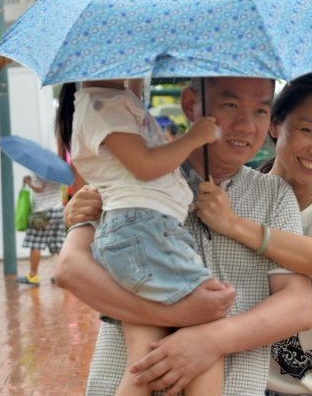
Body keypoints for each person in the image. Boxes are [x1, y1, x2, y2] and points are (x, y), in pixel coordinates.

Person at [56, 76, 312, 396]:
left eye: (261, 111)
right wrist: (79, 219)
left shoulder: (274, 195)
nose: (246, 125)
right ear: (190, 104)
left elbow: (299, 306)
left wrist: (207, 340)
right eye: (230, 105)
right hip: (121, 379)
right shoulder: (131, 180)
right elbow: (69, 271)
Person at [194, 69, 312, 395]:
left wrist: (233, 225)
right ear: (274, 124)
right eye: (308, 130)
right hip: (263, 387)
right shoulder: (233, 195)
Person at [57, 76, 224, 396]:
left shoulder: (116, 98)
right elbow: (146, 165)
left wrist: (136, 79)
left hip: (139, 231)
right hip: (145, 230)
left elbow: (133, 95)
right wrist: (194, 136)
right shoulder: (103, 105)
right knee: (208, 325)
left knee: (144, 362)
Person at [15, 172, 66, 285]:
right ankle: (66, 275)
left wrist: (28, 181)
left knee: (35, 244)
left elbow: (38, 188)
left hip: (42, 213)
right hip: (58, 210)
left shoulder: (38, 172)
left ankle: (33, 276)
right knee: (58, 244)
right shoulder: (56, 173)